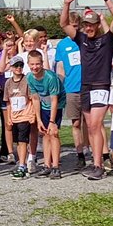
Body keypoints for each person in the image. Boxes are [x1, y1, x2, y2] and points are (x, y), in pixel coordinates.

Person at [60, 0, 113, 181]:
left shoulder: (107, 40)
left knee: (95, 124)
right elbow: (63, 24)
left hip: (101, 85)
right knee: (91, 127)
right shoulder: (81, 39)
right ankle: (97, 164)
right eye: (86, 25)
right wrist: (66, 4)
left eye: (92, 24)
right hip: (85, 86)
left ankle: (99, 165)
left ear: (97, 25)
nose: (88, 28)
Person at [54, 11, 87, 168]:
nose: (74, 29)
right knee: (75, 123)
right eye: (71, 26)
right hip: (71, 88)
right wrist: (61, 85)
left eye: (76, 26)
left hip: (88, 86)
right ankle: (80, 154)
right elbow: (60, 67)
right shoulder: (62, 45)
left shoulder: (85, 40)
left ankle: (94, 151)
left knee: (91, 123)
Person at [26, 49, 65, 179]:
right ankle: (47, 165)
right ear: (28, 64)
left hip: (56, 105)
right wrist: (39, 120)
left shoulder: (50, 78)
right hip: (43, 105)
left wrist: (52, 121)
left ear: (42, 63)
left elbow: (54, 100)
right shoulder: (30, 77)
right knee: (44, 134)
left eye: (37, 64)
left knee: (53, 133)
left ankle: (55, 166)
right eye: (32, 64)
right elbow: (35, 98)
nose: (35, 67)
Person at [3, 55, 36, 178]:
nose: (18, 68)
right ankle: (22, 161)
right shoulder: (8, 83)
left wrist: (32, 114)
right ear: (11, 67)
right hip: (14, 116)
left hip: (25, 115)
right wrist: (9, 117)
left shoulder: (27, 80)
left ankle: (23, 165)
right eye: (16, 66)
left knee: (23, 140)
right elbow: (8, 101)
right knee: (18, 141)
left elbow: (31, 99)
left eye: (21, 66)